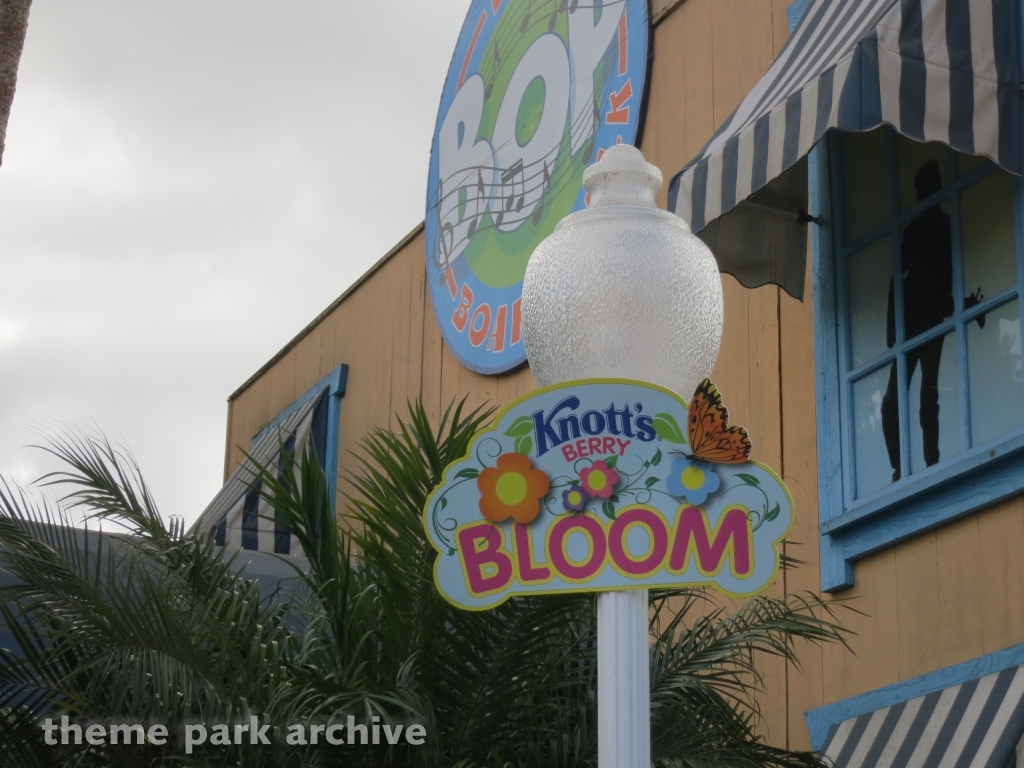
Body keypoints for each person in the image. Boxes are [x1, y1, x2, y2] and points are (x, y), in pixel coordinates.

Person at [880, 160, 952, 481]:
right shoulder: (912, 231)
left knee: (928, 396)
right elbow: (898, 279)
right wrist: (892, 327)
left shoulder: (946, 227)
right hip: (911, 323)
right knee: (892, 404)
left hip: (932, 319)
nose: (923, 194)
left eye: (927, 188)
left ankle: (931, 464)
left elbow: (952, 273)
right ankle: (900, 468)